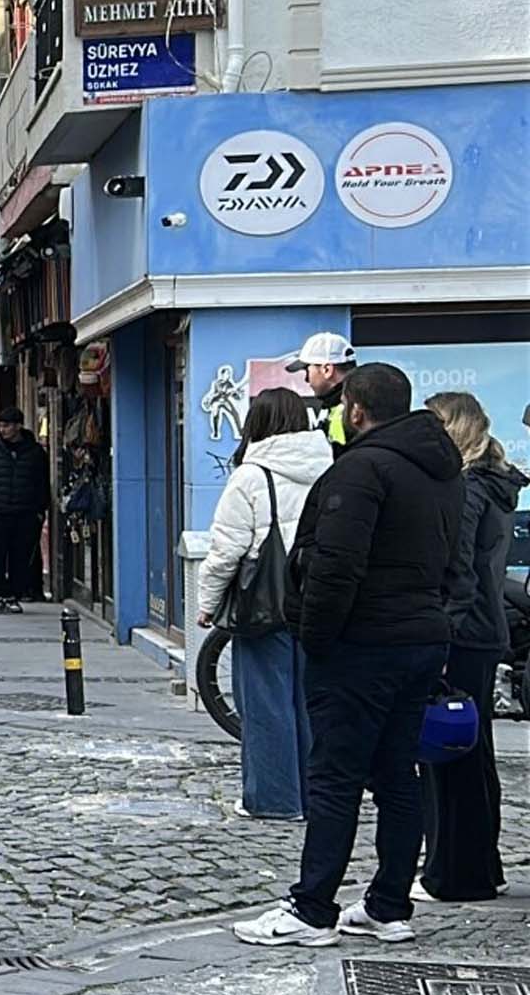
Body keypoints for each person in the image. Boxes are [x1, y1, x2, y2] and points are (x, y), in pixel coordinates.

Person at [236, 363, 463, 949]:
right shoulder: (442, 470)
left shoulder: (361, 470)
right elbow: (452, 562)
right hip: (419, 638)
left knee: (334, 777)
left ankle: (313, 909)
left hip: (362, 644)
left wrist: (316, 638)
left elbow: (335, 566)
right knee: (396, 775)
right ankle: (389, 906)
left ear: (355, 410)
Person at [194, 389, 329, 819]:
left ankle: (273, 799)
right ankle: (315, 796)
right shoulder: (329, 466)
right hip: (319, 597)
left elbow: (225, 553)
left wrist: (207, 604)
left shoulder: (252, 476)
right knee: (311, 702)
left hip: (266, 604)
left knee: (266, 703)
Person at [422, 390, 517, 899]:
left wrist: (440, 629)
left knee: (449, 751)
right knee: (473, 752)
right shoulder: (496, 482)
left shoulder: (469, 487)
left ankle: (454, 873)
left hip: (463, 631)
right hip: (483, 628)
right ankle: (480, 865)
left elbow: (457, 567)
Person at [0, 409, 51, 612]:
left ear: (19, 426)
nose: (3, 430)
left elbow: (42, 483)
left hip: (25, 513)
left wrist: (40, 511)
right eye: (0, 426)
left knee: (20, 557)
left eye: (7, 426)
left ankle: (13, 595)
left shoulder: (35, 452)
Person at [285, 331, 357, 447]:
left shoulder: (353, 409)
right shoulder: (355, 403)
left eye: (307, 370)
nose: (306, 379)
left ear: (327, 369)